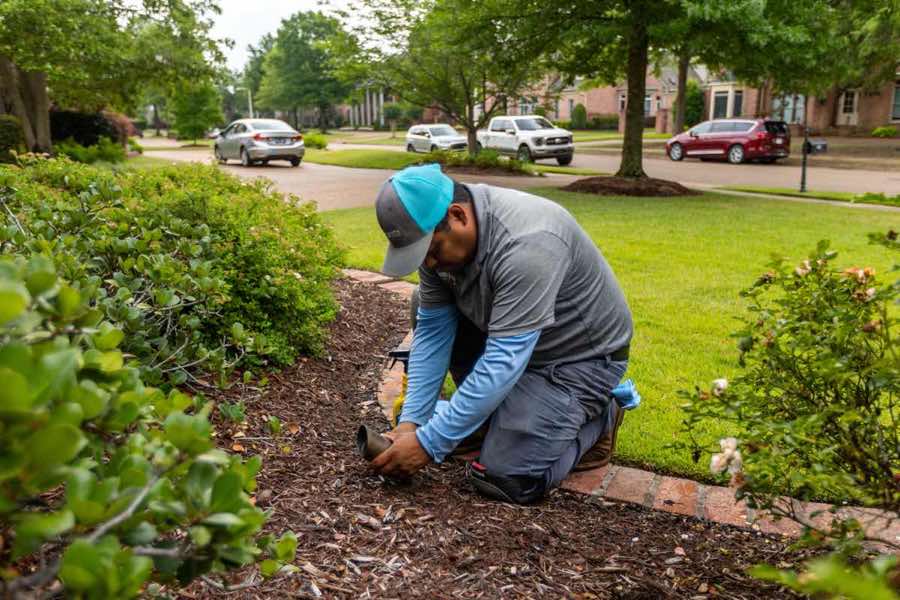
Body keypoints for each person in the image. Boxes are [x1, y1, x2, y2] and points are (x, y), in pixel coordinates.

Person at [368, 163, 635, 504]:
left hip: (578, 362)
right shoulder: (439, 239)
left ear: (457, 215)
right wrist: (413, 424)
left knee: (505, 477)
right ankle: (493, 418)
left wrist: (429, 444)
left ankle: (601, 415)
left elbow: (503, 361)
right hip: (514, 342)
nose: (430, 264)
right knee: (425, 302)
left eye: (432, 251)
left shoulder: (529, 243)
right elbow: (434, 334)